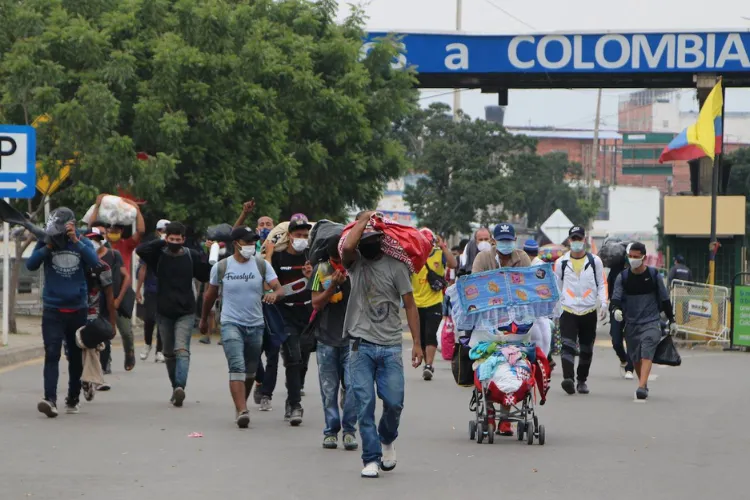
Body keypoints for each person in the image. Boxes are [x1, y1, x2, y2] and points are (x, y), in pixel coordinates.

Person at [341, 211, 422, 479]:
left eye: (374, 239)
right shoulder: (355, 263)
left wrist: (418, 344)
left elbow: (410, 305)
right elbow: (349, 246)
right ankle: (371, 458)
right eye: (366, 239)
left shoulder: (396, 266)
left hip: (390, 345)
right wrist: (364, 219)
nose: (369, 244)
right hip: (359, 344)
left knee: (394, 402)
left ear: (382, 240)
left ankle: (387, 438)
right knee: (364, 404)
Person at [200, 227, 284, 428]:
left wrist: (275, 294)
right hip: (231, 323)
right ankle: (242, 410)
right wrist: (204, 319)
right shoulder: (221, 267)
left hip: (256, 325)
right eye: (247, 242)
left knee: (250, 371)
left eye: (252, 242)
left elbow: (279, 288)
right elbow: (209, 296)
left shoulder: (261, 265)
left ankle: (241, 404)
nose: (250, 246)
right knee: (237, 366)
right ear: (236, 243)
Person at [27, 208, 100, 417]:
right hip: (53, 309)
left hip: (78, 308)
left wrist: (75, 240)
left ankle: (73, 397)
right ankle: (50, 400)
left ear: (73, 225)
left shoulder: (82, 241)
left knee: (75, 356)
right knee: (51, 353)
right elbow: (31, 265)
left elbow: (95, 263)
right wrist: (47, 246)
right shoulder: (46, 241)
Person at [136, 222, 211, 407]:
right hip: (164, 312)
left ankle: (180, 387)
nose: (175, 242)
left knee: (182, 350)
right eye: (171, 239)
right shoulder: (158, 256)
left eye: (178, 239)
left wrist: (208, 256)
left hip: (186, 311)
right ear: (166, 238)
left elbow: (205, 274)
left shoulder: (191, 256)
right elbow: (141, 250)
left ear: (184, 240)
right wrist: (162, 242)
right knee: (169, 353)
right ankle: (175, 388)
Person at [472, 223, 532, 436]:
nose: (506, 244)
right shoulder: (483, 259)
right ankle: (489, 411)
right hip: (488, 318)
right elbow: (475, 286)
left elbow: (529, 286)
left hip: (516, 318)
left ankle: (505, 419)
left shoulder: (522, 258)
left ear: (515, 240)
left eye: (510, 240)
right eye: (502, 240)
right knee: (486, 363)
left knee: (514, 364)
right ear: (494, 241)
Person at [308, 236, 359, 450]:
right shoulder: (320, 270)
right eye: (336, 257)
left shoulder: (358, 269)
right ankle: (330, 430)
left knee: (353, 387)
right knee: (329, 389)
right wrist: (332, 288)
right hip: (326, 338)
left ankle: (349, 430)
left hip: (353, 338)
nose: (340, 261)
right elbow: (316, 303)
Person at [265, 214, 314, 425]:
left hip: (308, 313)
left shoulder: (312, 257)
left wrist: (311, 275)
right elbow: (267, 283)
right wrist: (267, 255)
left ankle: (294, 392)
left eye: (305, 235)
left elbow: (323, 282)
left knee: (302, 359)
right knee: (293, 358)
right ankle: (295, 405)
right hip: (285, 314)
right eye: (298, 234)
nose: (302, 238)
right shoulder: (278, 257)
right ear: (289, 235)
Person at [611, 242, 676, 400]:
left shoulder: (654, 275)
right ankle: (644, 382)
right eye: (630, 256)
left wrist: (672, 320)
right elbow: (616, 297)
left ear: (644, 258)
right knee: (636, 357)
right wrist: (616, 310)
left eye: (636, 256)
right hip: (631, 323)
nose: (633, 259)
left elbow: (665, 298)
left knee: (647, 350)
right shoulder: (623, 277)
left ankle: (641, 386)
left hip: (651, 321)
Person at [554, 226, 607, 396]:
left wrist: (604, 304)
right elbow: (557, 287)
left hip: (588, 309)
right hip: (568, 310)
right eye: (573, 239)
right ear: (569, 241)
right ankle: (568, 379)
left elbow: (601, 283)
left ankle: (582, 380)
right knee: (567, 345)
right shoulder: (561, 262)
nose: (576, 242)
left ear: (584, 240)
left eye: (579, 238)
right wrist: (557, 309)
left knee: (586, 348)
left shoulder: (595, 261)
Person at [412, 228, 457, 380]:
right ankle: (427, 364)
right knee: (422, 337)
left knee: (431, 333)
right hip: (416, 303)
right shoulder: (413, 256)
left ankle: (429, 365)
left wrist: (443, 246)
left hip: (434, 301)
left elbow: (453, 263)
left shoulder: (439, 254)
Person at [90, 222, 134, 372]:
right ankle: (104, 363)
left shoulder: (114, 255)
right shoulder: (88, 256)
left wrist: (118, 300)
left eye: (102, 234)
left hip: (116, 301)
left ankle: (129, 353)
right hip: (96, 302)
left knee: (126, 332)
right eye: (96, 236)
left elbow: (126, 277)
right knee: (103, 332)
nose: (99, 238)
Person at [81, 230, 118, 397]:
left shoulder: (103, 268)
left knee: (92, 347)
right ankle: (84, 379)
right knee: (73, 351)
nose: (93, 244)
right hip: (72, 311)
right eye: (90, 240)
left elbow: (110, 296)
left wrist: (112, 323)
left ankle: (94, 379)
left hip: (93, 314)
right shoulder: (76, 264)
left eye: (97, 240)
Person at [135, 219, 169, 363]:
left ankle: (160, 350)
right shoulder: (152, 248)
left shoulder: (171, 248)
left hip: (166, 290)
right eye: (162, 231)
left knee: (162, 320)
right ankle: (148, 343)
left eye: (166, 231)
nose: (164, 234)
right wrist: (138, 290)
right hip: (151, 288)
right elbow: (143, 268)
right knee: (150, 318)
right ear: (157, 231)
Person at [608, 255, 634, 380]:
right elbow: (610, 289)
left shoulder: (638, 272)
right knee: (616, 340)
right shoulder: (615, 271)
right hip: (617, 308)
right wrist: (612, 307)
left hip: (632, 309)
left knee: (631, 339)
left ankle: (630, 368)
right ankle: (623, 358)